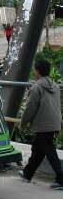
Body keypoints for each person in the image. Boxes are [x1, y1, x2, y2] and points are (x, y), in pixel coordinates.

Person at [18, 59, 62, 190]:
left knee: (49, 151)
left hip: (43, 124)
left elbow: (30, 108)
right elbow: (57, 106)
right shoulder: (55, 86)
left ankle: (61, 178)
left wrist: (23, 122)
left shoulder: (36, 87)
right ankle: (27, 174)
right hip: (53, 122)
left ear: (37, 71)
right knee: (38, 149)